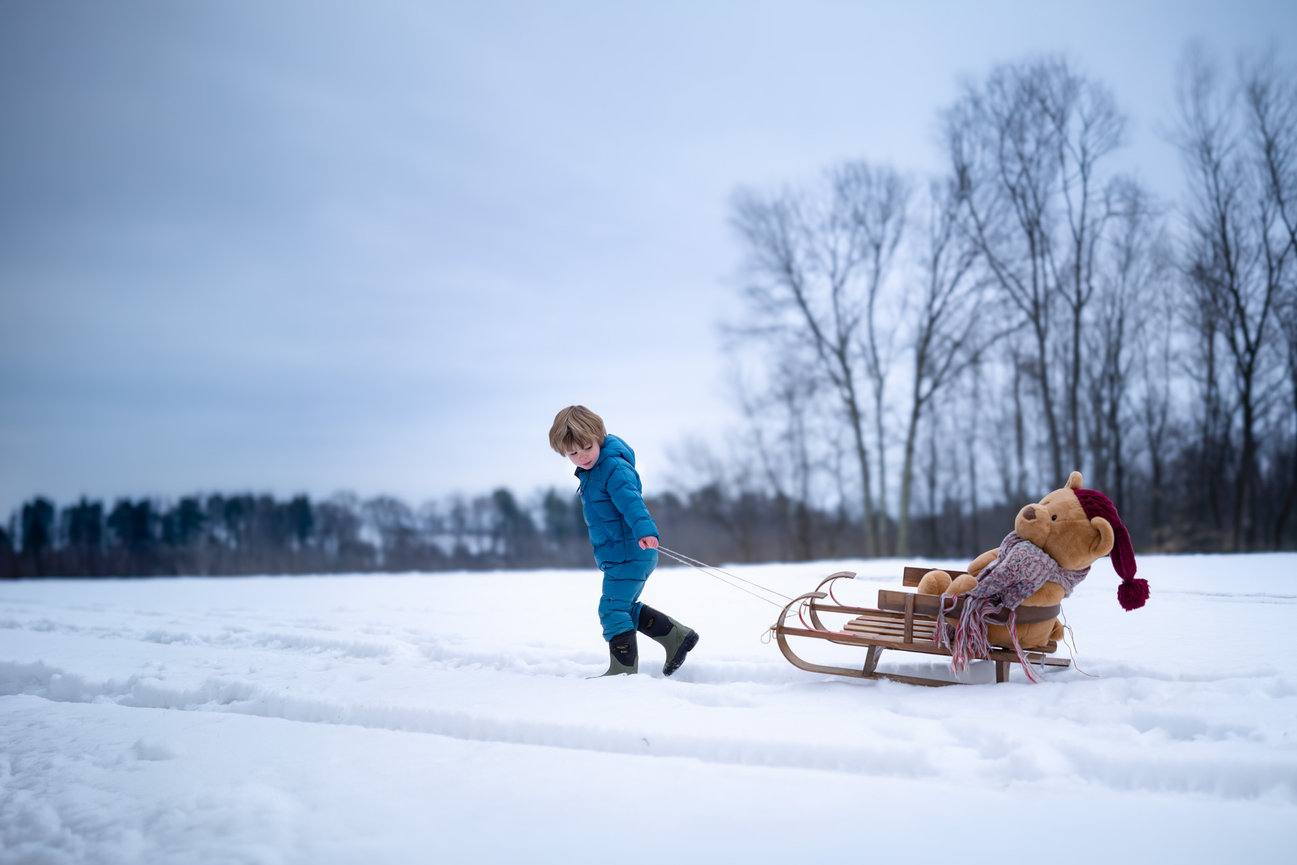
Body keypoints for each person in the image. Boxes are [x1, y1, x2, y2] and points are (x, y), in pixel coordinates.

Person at [548, 405, 699, 677]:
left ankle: (622, 673)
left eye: (586, 447)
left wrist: (645, 531)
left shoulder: (612, 467)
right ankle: (677, 637)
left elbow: (631, 502)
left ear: (599, 438)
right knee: (623, 607)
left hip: (632, 551)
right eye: (573, 453)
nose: (581, 456)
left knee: (611, 609)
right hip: (621, 554)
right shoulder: (593, 472)